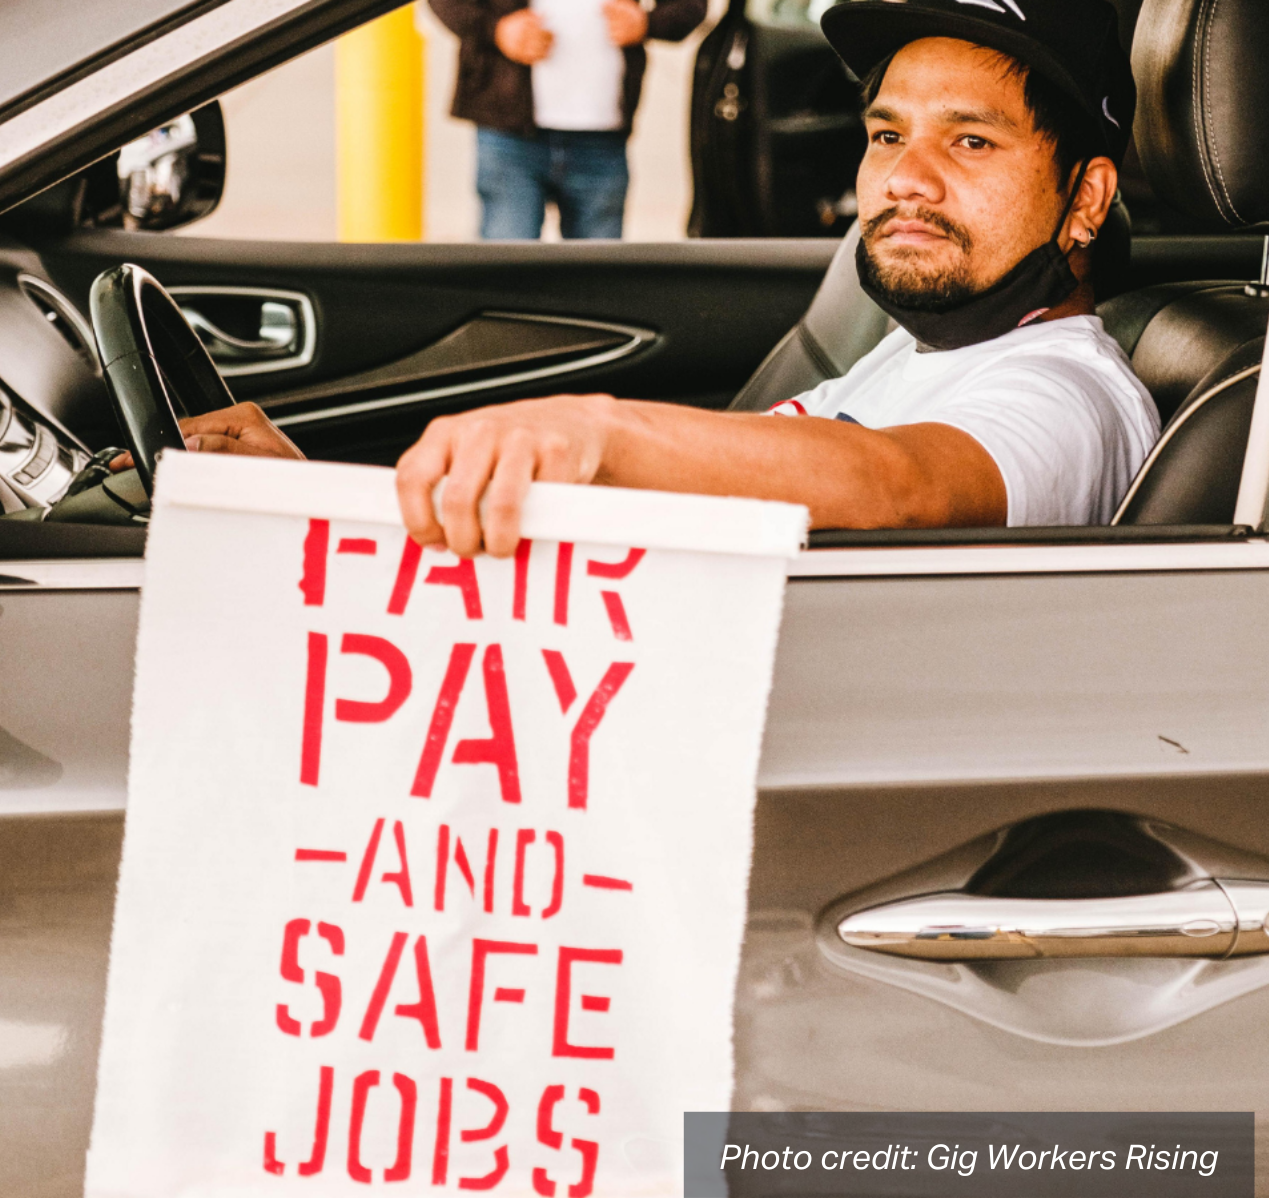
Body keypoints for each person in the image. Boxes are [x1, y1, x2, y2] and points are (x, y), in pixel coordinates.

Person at [128, 0, 1160, 558]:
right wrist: (317, 506)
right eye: (887, 133)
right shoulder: (929, 347)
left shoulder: (1065, 394)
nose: (904, 177)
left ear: (1084, 199)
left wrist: (596, 435)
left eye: (971, 143)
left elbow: (898, 489)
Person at [428, 0, 707, 238]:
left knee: (596, 283)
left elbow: (689, 5)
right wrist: (497, 29)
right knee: (508, 276)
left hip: (603, 135)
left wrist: (647, 22)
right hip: (508, 131)